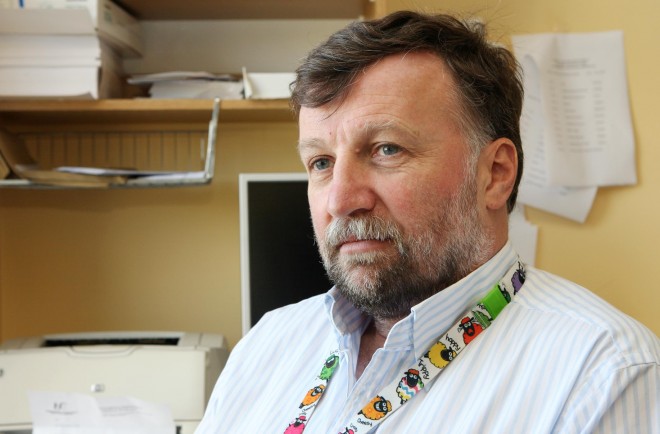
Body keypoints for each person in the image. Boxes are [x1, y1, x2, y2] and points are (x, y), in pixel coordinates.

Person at [196, 11, 659, 433]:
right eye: (320, 162)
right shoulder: (265, 346)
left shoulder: (605, 373)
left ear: (494, 174)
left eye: (387, 150)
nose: (340, 199)